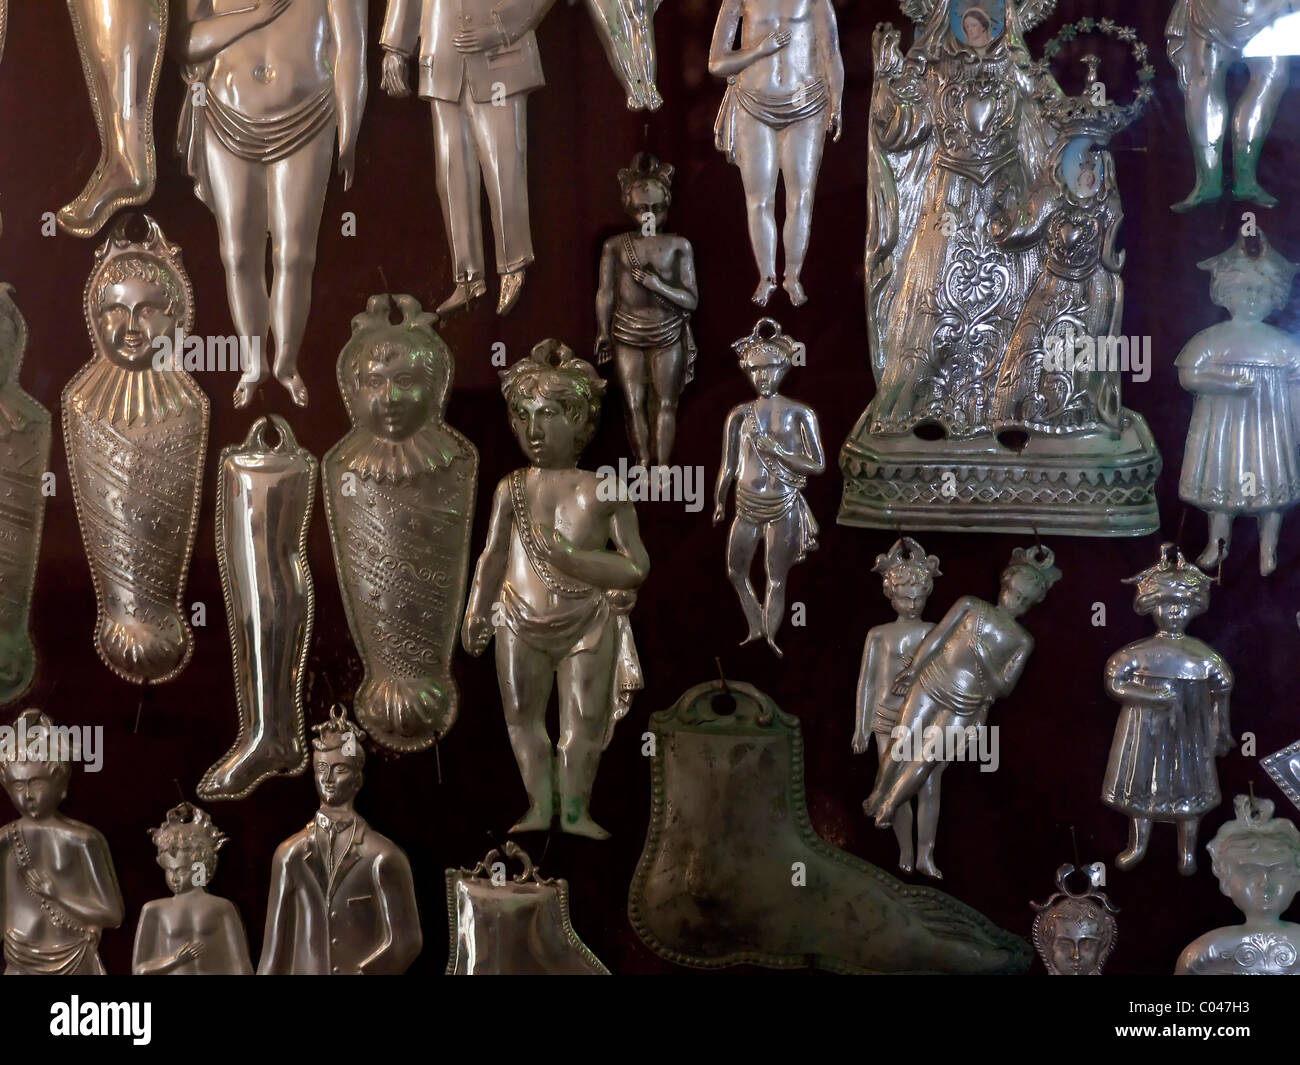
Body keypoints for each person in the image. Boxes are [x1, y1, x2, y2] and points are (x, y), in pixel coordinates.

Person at [462, 342, 649, 839]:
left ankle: (575, 812)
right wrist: (476, 611)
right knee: (522, 719)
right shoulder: (511, 488)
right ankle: (539, 807)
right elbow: (493, 555)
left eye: (547, 415)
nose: (534, 430)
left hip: (588, 618)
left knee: (584, 724)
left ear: (581, 420)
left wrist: (572, 559)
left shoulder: (604, 487)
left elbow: (635, 567)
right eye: (523, 416)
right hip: (517, 618)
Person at [174, 0, 367, 407]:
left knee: (295, 254)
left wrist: (349, 132)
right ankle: (252, 364)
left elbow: (350, 47)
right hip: (226, 111)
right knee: (238, 253)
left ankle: (286, 363)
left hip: (309, 111)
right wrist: (254, 17)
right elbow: (185, 41)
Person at [865, 547, 1060, 844]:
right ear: (1004, 585)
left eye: (1024, 601)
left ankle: (891, 805)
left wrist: (983, 658)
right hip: (930, 683)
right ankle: (879, 791)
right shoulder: (970, 605)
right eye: (1014, 593)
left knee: (926, 759)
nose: (1016, 603)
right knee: (902, 740)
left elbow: (1004, 687)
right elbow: (937, 639)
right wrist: (914, 669)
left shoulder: (1022, 640)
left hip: (966, 704)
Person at [259, 708, 423, 974]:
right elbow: (274, 950)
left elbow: (407, 941)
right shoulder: (289, 854)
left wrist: (364, 972)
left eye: (340, 769)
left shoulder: (383, 856)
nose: (328, 779)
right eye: (321, 768)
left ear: (358, 780)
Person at [1102, 545, 1233, 876]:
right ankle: (1137, 845)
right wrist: (1146, 697)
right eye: (1166, 604)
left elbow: (1222, 689)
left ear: (1193, 609)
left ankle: (1187, 853)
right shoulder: (1135, 654)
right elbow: (1115, 683)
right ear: (1151, 607)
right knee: (1141, 789)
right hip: (1143, 732)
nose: (1174, 611)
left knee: (1189, 796)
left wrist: (1221, 730)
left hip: (1189, 734)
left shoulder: (1203, 656)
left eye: (1181, 605)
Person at [1178, 231, 1300, 576]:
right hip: (1222, 427)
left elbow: (1297, 381)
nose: (1251, 298)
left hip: (1270, 428)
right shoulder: (1211, 340)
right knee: (1222, 488)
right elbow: (1189, 376)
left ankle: (1268, 551)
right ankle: (1218, 544)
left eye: (1261, 291)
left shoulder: (1283, 344)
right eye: (1244, 289)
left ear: (1275, 297)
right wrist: (1225, 384)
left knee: (1272, 494)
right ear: (1225, 293)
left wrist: (1296, 423)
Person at [709, 0, 843, 306]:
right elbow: (716, 63)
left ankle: (793, 276)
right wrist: (759, 50)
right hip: (753, 103)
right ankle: (767, 277)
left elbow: (830, 52)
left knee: (801, 196)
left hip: (806, 103)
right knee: (758, 199)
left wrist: (837, 104)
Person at [714, 320, 824, 657]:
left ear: (784, 367)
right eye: (756, 371)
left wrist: (778, 451)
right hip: (746, 503)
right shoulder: (738, 415)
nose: (762, 377)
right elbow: (729, 465)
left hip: (784, 503)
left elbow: (817, 464)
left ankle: (772, 635)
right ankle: (755, 624)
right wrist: (719, 501)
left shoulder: (800, 413)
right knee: (735, 570)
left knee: (776, 575)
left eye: (770, 369)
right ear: (747, 371)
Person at [595, 153, 699, 469]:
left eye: (657, 209)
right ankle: (641, 461)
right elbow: (606, 293)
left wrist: (657, 285)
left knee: (667, 402)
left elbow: (691, 300)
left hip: (667, 331)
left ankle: (664, 466)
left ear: (667, 208)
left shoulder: (679, 245)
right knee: (634, 403)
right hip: (626, 330)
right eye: (642, 209)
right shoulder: (614, 246)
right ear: (630, 209)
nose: (649, 216)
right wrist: (601, 330)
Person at [0, 710, 123, 975]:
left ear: (60, 783)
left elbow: (112, 914)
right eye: (18, 786)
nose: (28, 796)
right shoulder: (4, 841)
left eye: (36, 783)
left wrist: (58, 895)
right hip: (19, 957)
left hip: (73, 955)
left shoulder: (83, 840)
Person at [853, 539, 941, 876]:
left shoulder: (934, 632)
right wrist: (860, 727)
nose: (913, 603)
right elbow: (868, 681)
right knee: (894, 788)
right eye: (906, 597)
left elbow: (946, 677)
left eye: (919, 597)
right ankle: (905, 852)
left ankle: (925, 855)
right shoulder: (878, 634)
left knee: (929, 786)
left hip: (929, 719)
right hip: (886, 717)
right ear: (891, 595)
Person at [1168, 0, 1294, 210]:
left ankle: (1244, 179)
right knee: (1203, 80)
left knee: (1272, 76)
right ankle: (1208, 181)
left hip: (1270, 11)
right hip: (1211, 12)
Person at [1177, 795, 1300, 974]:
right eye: (1249, 871)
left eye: (1279, 870)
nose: (1265, 883)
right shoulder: (1204, 953)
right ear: (1225, 880)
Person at [132, 803, 252, 975]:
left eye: (181, 870)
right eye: (170, 870)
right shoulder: (154, 910)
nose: (174, 878)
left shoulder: (222, 907)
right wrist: (174, 960)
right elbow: (139, 970)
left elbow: (241, 965)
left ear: (200, 868)